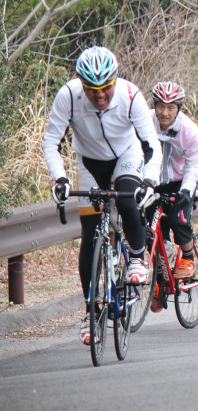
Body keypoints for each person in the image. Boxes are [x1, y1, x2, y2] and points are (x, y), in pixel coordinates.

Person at [43, 45, 161, 345]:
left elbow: (151, 145)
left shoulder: (131, 95)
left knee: (126, 197)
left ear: (116, 80)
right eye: (92, 88)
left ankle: (136, 256)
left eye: (105, 87)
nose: (99, 95)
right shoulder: (68, 97)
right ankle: (91, 312)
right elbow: (51, 143)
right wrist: (60, 178)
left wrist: (149, 181)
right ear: (81, 84)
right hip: (89, 162)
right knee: (91, 234)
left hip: (127, 155)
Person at [146, 81, 198, 312]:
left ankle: (188, 256)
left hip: (181, 181)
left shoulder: (190, 132)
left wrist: (185, 193)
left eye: (171, 107)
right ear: (155, 106)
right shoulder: (146, 122)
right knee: (151, 231)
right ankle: (162, 279)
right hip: (153, 180)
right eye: (161, 106)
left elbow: (193, 167)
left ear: (179, 108)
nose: (165, 112)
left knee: (178, 218)